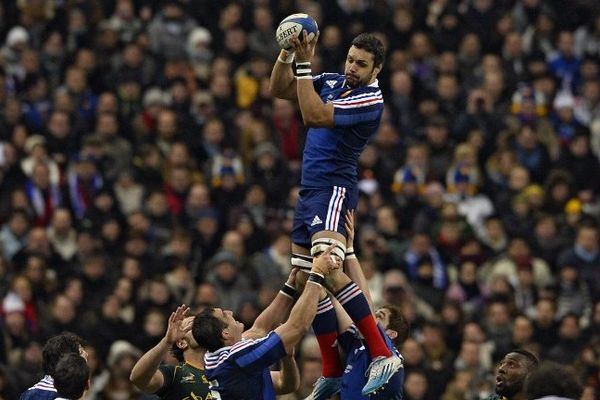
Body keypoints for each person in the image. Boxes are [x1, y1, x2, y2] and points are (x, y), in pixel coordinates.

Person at [269, 31, 403, 395]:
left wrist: (302, 63)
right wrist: (286, 54)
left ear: (377, 69)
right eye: (350, 59)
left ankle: (381, 353)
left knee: (327, 266)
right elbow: (281, 90)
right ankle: (331, 371)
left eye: (361, 64)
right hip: (309, 191)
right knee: (303, 279)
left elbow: (312, 115)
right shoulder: (332, 80)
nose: (352, 68)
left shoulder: (369, 99)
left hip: (334, 189)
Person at [192, 245, 339, 400]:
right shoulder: (237, 359)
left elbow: (259, 329)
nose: (229, 312)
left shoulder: (221, 354)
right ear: (225, 333)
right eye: (224, 315)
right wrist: (316, 275)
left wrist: (289, 287)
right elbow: (297, 326)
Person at [307, 210, 409, 400]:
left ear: (391, 334)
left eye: (380, 317)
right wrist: (318, 274)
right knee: (317, 289)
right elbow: (336, 302)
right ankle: (331, 374)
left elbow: (364, 304)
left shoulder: (388, 353)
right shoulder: (358, 347)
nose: (372, 318)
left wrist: (349, 252)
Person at [129, 308, 210, 399]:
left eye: (200, 325)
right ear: (181, 343)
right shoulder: (174, 373)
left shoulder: (222, 369)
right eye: (192, 326)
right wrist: (167, 341)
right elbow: (137, 378)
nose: (200, 329)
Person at [19, 332, 88, 400]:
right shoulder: (64, 395)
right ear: (68, 361)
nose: (86, 354)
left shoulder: (28, 394)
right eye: (81, 352)